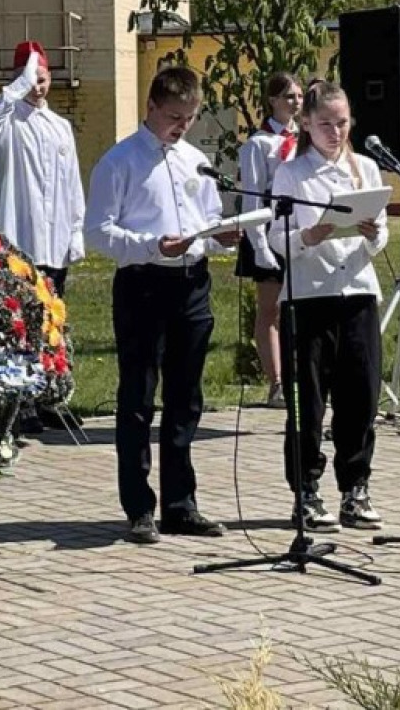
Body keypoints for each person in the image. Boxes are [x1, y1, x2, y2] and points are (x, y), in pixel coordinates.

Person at [85, 66, 240, 544]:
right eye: (174, 116)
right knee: (138, 397)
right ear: (150, 106)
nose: (182, 126)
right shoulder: (120, 161)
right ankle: (138, 507)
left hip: (192, 285)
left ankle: (180, 504)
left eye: (190, 117)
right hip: (143, 284)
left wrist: (220, 238)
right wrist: (152, 246)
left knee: (185, 398)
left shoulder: (196, 160)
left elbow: (207, 220)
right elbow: (98, 232)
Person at [269, 80, 389, 532]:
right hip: (309, 296)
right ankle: (306, 492)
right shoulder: (292, 174)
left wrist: (373, 234)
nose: (335, 133)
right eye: (325, 125)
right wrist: (308, 236)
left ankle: (355, 488)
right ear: (305, 124)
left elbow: (380, 233)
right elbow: (275, 238)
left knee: (360, 397)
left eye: (342, 123)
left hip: (357, 291)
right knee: (309, 402)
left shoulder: (366, 168)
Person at [0, 40, 85, 298]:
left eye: (41, 81)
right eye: (30, 82)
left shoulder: (60, 126)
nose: (36, 88)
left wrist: (76, 230)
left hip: (57, 239)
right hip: (21, 238)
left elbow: (72, 182)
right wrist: (20, 86)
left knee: (54, 312)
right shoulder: (7, 122)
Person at [234, 72, 304, 407]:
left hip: (300, 227)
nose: (296, 102)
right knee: (271, 309)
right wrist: (259, 244)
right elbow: (252, 196)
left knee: (302, 308)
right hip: (268, 225)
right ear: (272, 100)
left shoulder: (307, 138)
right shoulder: (258, 144)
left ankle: (303, 377)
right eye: (289, 96)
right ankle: (276, 383)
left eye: (299, 96)